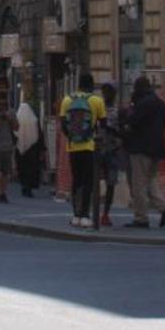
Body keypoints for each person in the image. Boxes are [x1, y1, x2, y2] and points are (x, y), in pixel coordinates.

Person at [122, 75, 165, 228]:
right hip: (157, 147)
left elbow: (132, 121)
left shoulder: (142, 103)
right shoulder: (160, 103)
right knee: (150, 180)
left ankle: (141, 217)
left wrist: (130, 109)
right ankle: (164, 207)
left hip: (141, 147)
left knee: (139, 183)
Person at [58, 73, 104, 229]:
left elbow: (63, 124)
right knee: (88, 181)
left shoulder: (67, 100)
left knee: (76, 180)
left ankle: (75, 215)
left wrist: (72, 137)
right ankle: (85, 214)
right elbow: (102, 124)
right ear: (91, 85)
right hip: (90, 146)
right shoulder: (97, 101)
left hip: (72, 147)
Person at [95, 82, 125, 227]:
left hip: (112, 151)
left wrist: (114, 132)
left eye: (109, 92)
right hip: (98, 149)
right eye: (105, 91)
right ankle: (92, 213)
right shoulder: (97, 109)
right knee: (94, 181)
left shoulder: (119, 111)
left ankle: (105, 214)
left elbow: (122, 131)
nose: (107, 94)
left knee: (111, 183)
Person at [14, 97, 42, 198]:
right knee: (31, 169)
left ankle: (23, 186)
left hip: (20, 149)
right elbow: (38, 134)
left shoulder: (17, 118)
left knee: (22, 169)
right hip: (33, 150)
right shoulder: (33, 119)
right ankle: (29, 188)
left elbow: (15, 133)